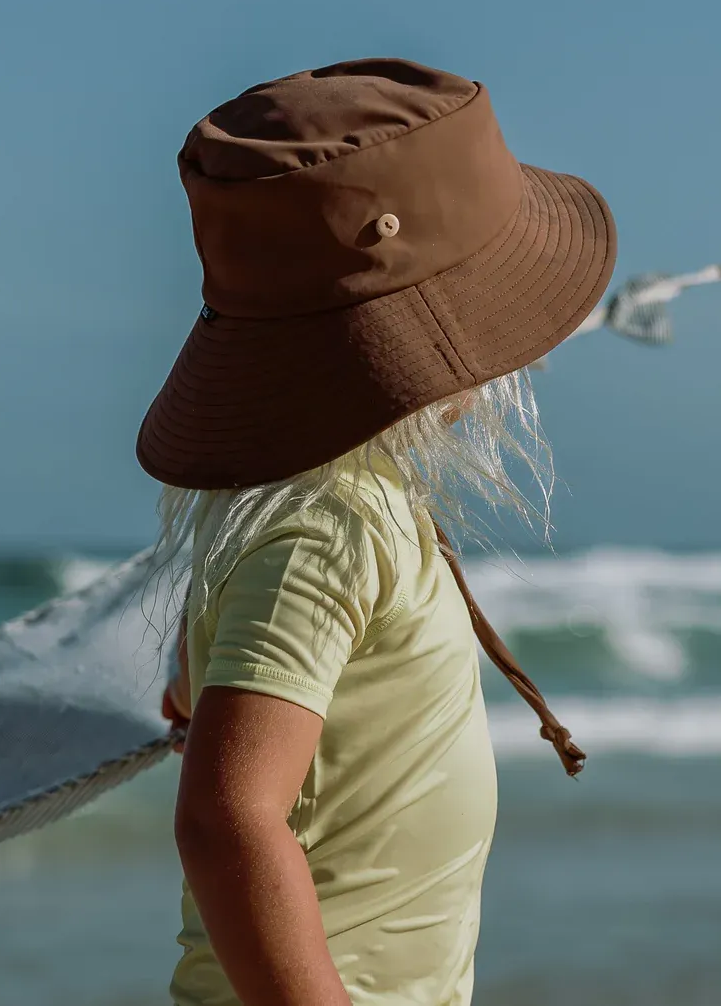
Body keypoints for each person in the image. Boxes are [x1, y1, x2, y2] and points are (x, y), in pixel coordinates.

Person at [140, 59, 616, 1006]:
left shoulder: (314, 496)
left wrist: (200, 683)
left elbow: (220, 697)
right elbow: (228, 818)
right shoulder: (330, 520)